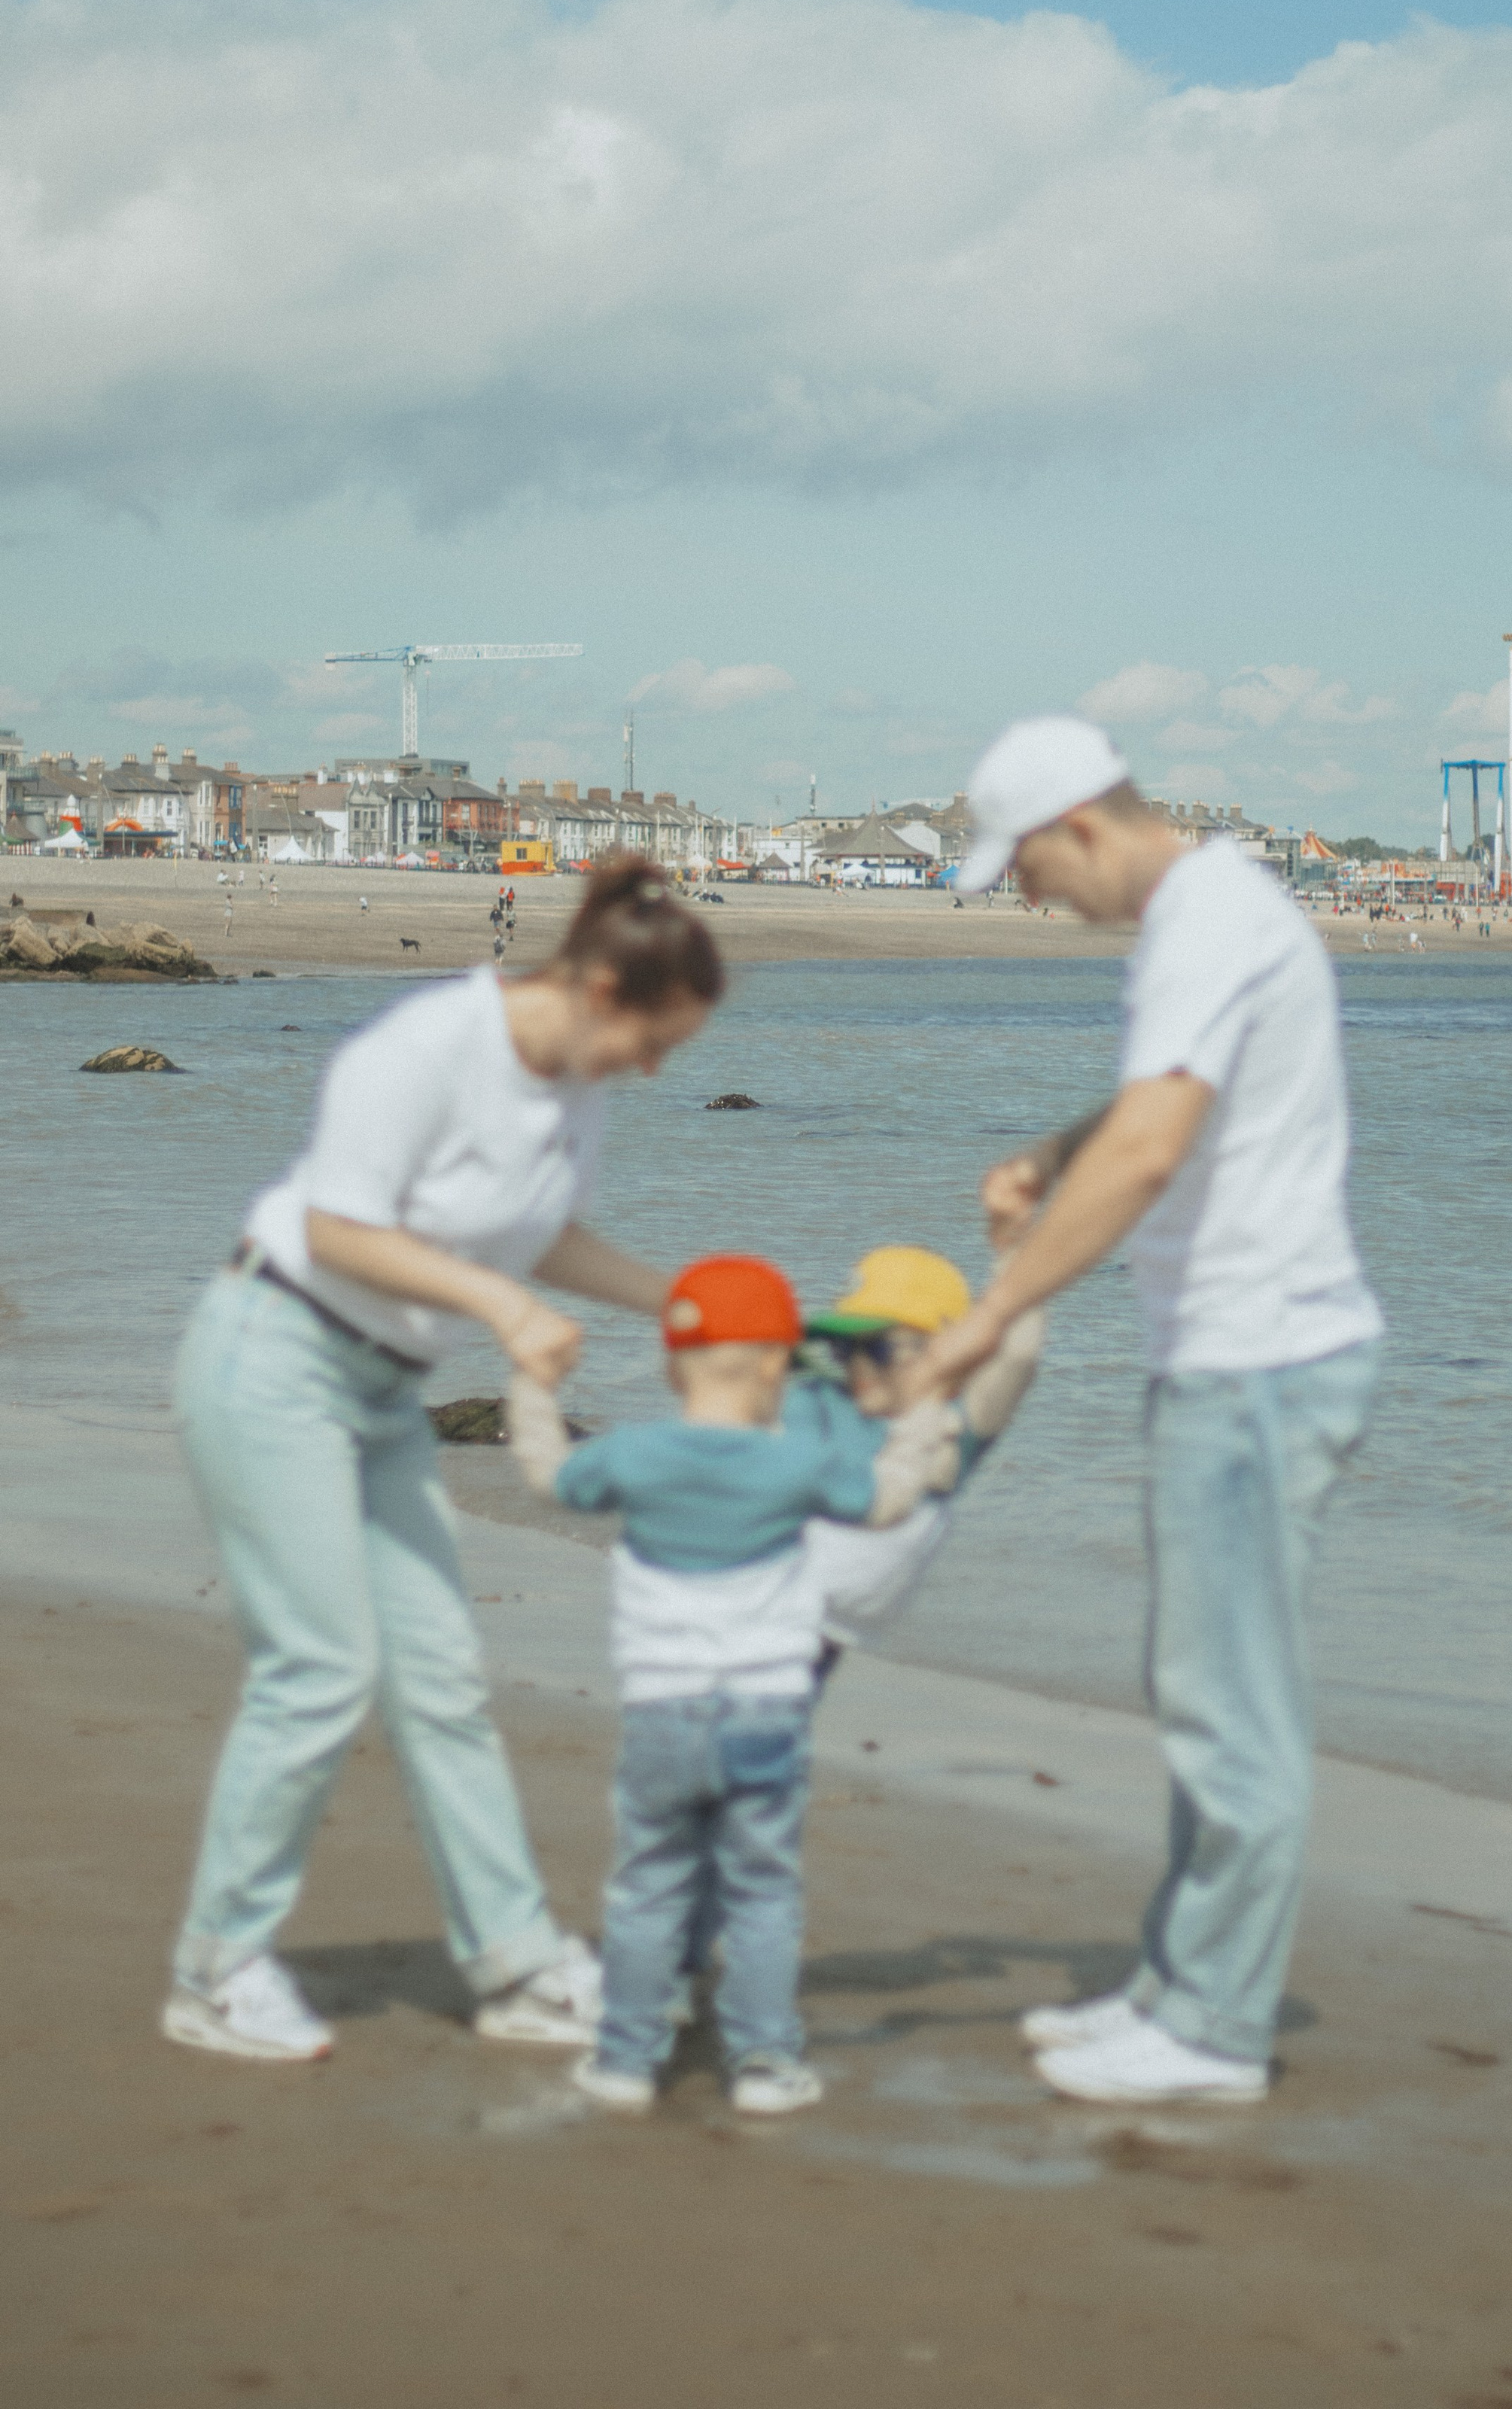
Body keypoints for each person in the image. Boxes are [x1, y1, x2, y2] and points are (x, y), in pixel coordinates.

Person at [163, 857, 723, 2064]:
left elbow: (543, 1233)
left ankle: (516, 1965)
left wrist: (676, 1300)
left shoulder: (577, 1087)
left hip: (382, 1394)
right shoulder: (421, 1047)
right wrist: (500, 1310)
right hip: (274, 1357)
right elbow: (337, 1229)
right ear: (600, 989)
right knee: (318, 1668)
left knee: (442, 1676)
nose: (657, 1069)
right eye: (656, 1040)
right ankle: (214, 1970)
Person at [911, 716, 1383, 2107]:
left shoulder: (1203, 917)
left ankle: (1218, 2030)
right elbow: (1154, 1110)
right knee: (1202, 1692)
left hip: (1262, 1359)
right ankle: (1184, 1989)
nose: (1031, 899)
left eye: (1028, 871)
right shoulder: (1213, 909)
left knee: (1231, 1705)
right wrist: (1055, 1157)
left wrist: (993, 1319)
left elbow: (1160, 1141)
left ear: (1082, 827)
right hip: (1239, 1357)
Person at [507, 1258, 954, 2118]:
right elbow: (894, 1499)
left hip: (661, 1715)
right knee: (762, 1893)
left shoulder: (634, 1454)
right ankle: (764, 2066)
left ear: (674, 1366)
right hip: (766, 1716)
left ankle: (626, 2062)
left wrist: (532, 1383)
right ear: (778, 1368)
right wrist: (928, 1402)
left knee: (646, 1887)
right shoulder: (799, 1464)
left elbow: (546, 1475)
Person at [799, 1243, 1043, 1662]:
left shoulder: (949, 1433)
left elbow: (1019, 1353)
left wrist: (1014, 1237)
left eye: (878, 1351)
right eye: (844, 1350)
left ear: (947, 1351)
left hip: (813, 1637)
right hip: (749, 1610)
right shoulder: (823, 1404)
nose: (857, 1367)